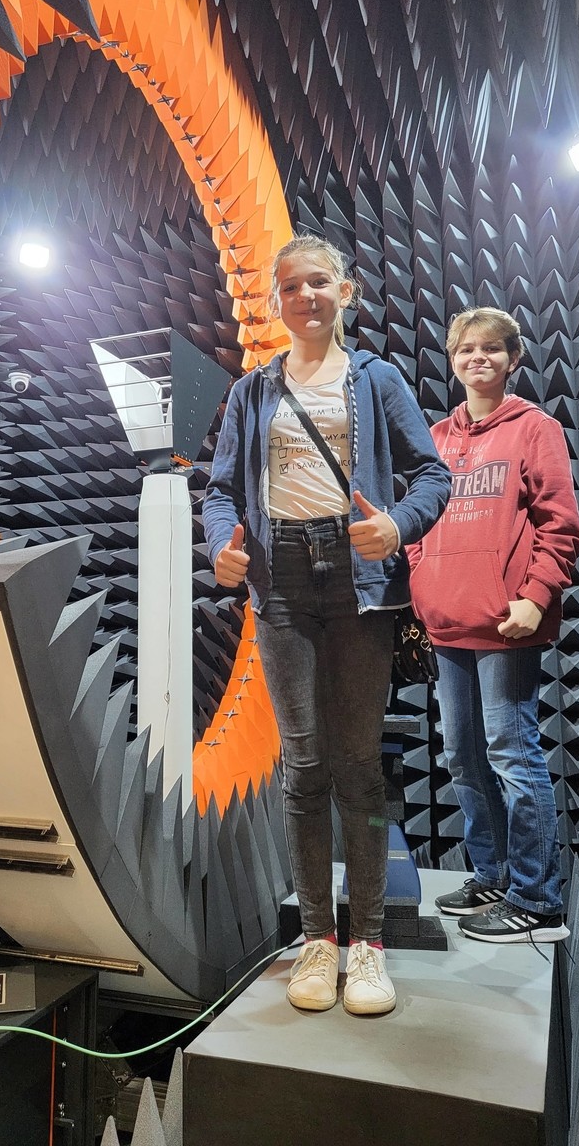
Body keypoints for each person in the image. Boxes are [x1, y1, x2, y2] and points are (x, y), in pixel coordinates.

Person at [203, 234, 451, 1014]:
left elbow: (432, 474)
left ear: (347, 292)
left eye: (319, 282)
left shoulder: (378, 379)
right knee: (304, 766)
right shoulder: (253, 390)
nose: (304, 296)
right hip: (279, 578)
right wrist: (220, 548)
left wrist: (399, 526)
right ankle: (317, 938)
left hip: (359, 583)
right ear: (276, 301)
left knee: (358, 767)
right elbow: (219, 491)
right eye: (290, 286)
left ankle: (367, 944)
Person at [406, 308, 579, 943]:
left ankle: (537, 900)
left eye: (491, 348)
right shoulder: (434, 436)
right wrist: (422, 581)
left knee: (512, 753)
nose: (477, 357)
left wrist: (536, 595)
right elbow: (418, 520)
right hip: (447, 622)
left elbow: (561, 524)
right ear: (452, 359)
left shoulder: (536, 428)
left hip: (507, 622)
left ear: (513, 358)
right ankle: (494, 873)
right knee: (462, 756)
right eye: (465, 349)